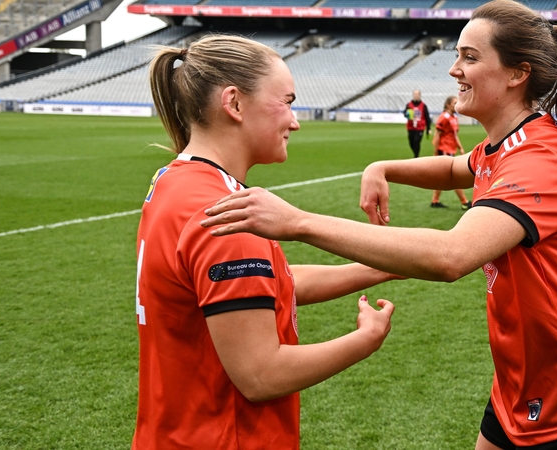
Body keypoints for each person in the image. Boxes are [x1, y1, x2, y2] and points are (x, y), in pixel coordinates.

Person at [202, 1, 557, 448]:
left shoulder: (538, 160)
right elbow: (454, 170)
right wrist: (383, 167)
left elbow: (451, 257)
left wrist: (299, 222)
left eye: (470, 57)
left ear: (516, 74)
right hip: (519, 382)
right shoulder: (501, 147)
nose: (454, 70)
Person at [133, 35, 396, 449]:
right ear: (234, 103)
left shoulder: (173, 183)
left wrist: (382, 265)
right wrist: (364, 340)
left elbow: (266, 286)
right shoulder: (227, 215)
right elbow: (261, 375)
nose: (295, 121)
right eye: (287, 102)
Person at [430, 95, 471, 209]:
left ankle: (435, 201)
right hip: (444, 149)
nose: (456, 104)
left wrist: (460, 147)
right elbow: (437, 134)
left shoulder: (454, 118)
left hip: (450, 149)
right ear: (448, 104)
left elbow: (454, 135)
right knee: (452, 176)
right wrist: (435, 152)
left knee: (441, 177)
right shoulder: (444, 117)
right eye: (454, 103)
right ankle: (464, 201)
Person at [404, 89, 432, 157]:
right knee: (411, 143)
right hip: (411, 127)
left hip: (420, 127)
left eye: (417, 94)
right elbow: (404, 114)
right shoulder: (409, 105)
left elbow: (427, 117)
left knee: (417, 142)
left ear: (420, 95)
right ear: (413, 95)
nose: (416, 96)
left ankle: (416, 156)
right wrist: (408, 115)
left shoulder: (423, 105)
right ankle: (416, 154)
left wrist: (428, 128)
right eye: (415, 94)